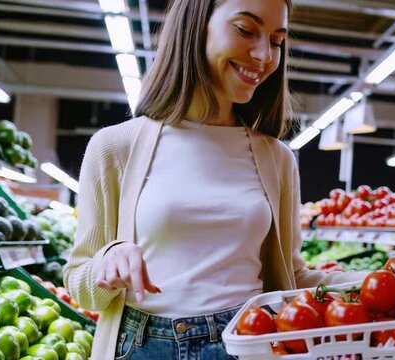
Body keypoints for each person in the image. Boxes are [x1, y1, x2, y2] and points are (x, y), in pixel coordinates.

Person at [64, 0, 363, 358]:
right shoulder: (115, 147)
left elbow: (292, 276)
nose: (264, 54)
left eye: (276, 40)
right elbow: (80, 284)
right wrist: (108, 260)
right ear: (196, 26)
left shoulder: (277, 159)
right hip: (143, 346)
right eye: (246, 30)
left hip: (248, 339)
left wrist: (377, 282)